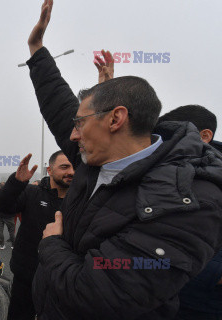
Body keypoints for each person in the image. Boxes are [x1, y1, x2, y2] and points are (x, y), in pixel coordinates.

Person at [26, 2, 222, 319]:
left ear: (115, 120)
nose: (72, 137)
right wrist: (37, 52)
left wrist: (51, 244)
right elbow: (60, 108)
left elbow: (92, 295)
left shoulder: (188, 202)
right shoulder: (97, 158)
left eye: (81, 124)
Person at [158, 105, 222, 319]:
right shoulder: (165, 172)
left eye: (173, 136)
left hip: (206, 304)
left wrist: (210, 277)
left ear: (204, 136)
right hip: (160, 299)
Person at [0, 151, 73, 320]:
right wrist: (16, 183)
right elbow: (1, 207)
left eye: (74, 167)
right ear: (50, 170)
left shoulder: (81, 199)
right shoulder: (32, 192)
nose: (71, 172)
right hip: (26, 274)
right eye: (64, 167)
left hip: (63, 278)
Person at [0, 182, 16, 250]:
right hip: (9, 215)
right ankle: (13, 244)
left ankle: (2, 245)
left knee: (0, 230)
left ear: (0, 187)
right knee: (11, 231)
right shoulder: (11, 194)